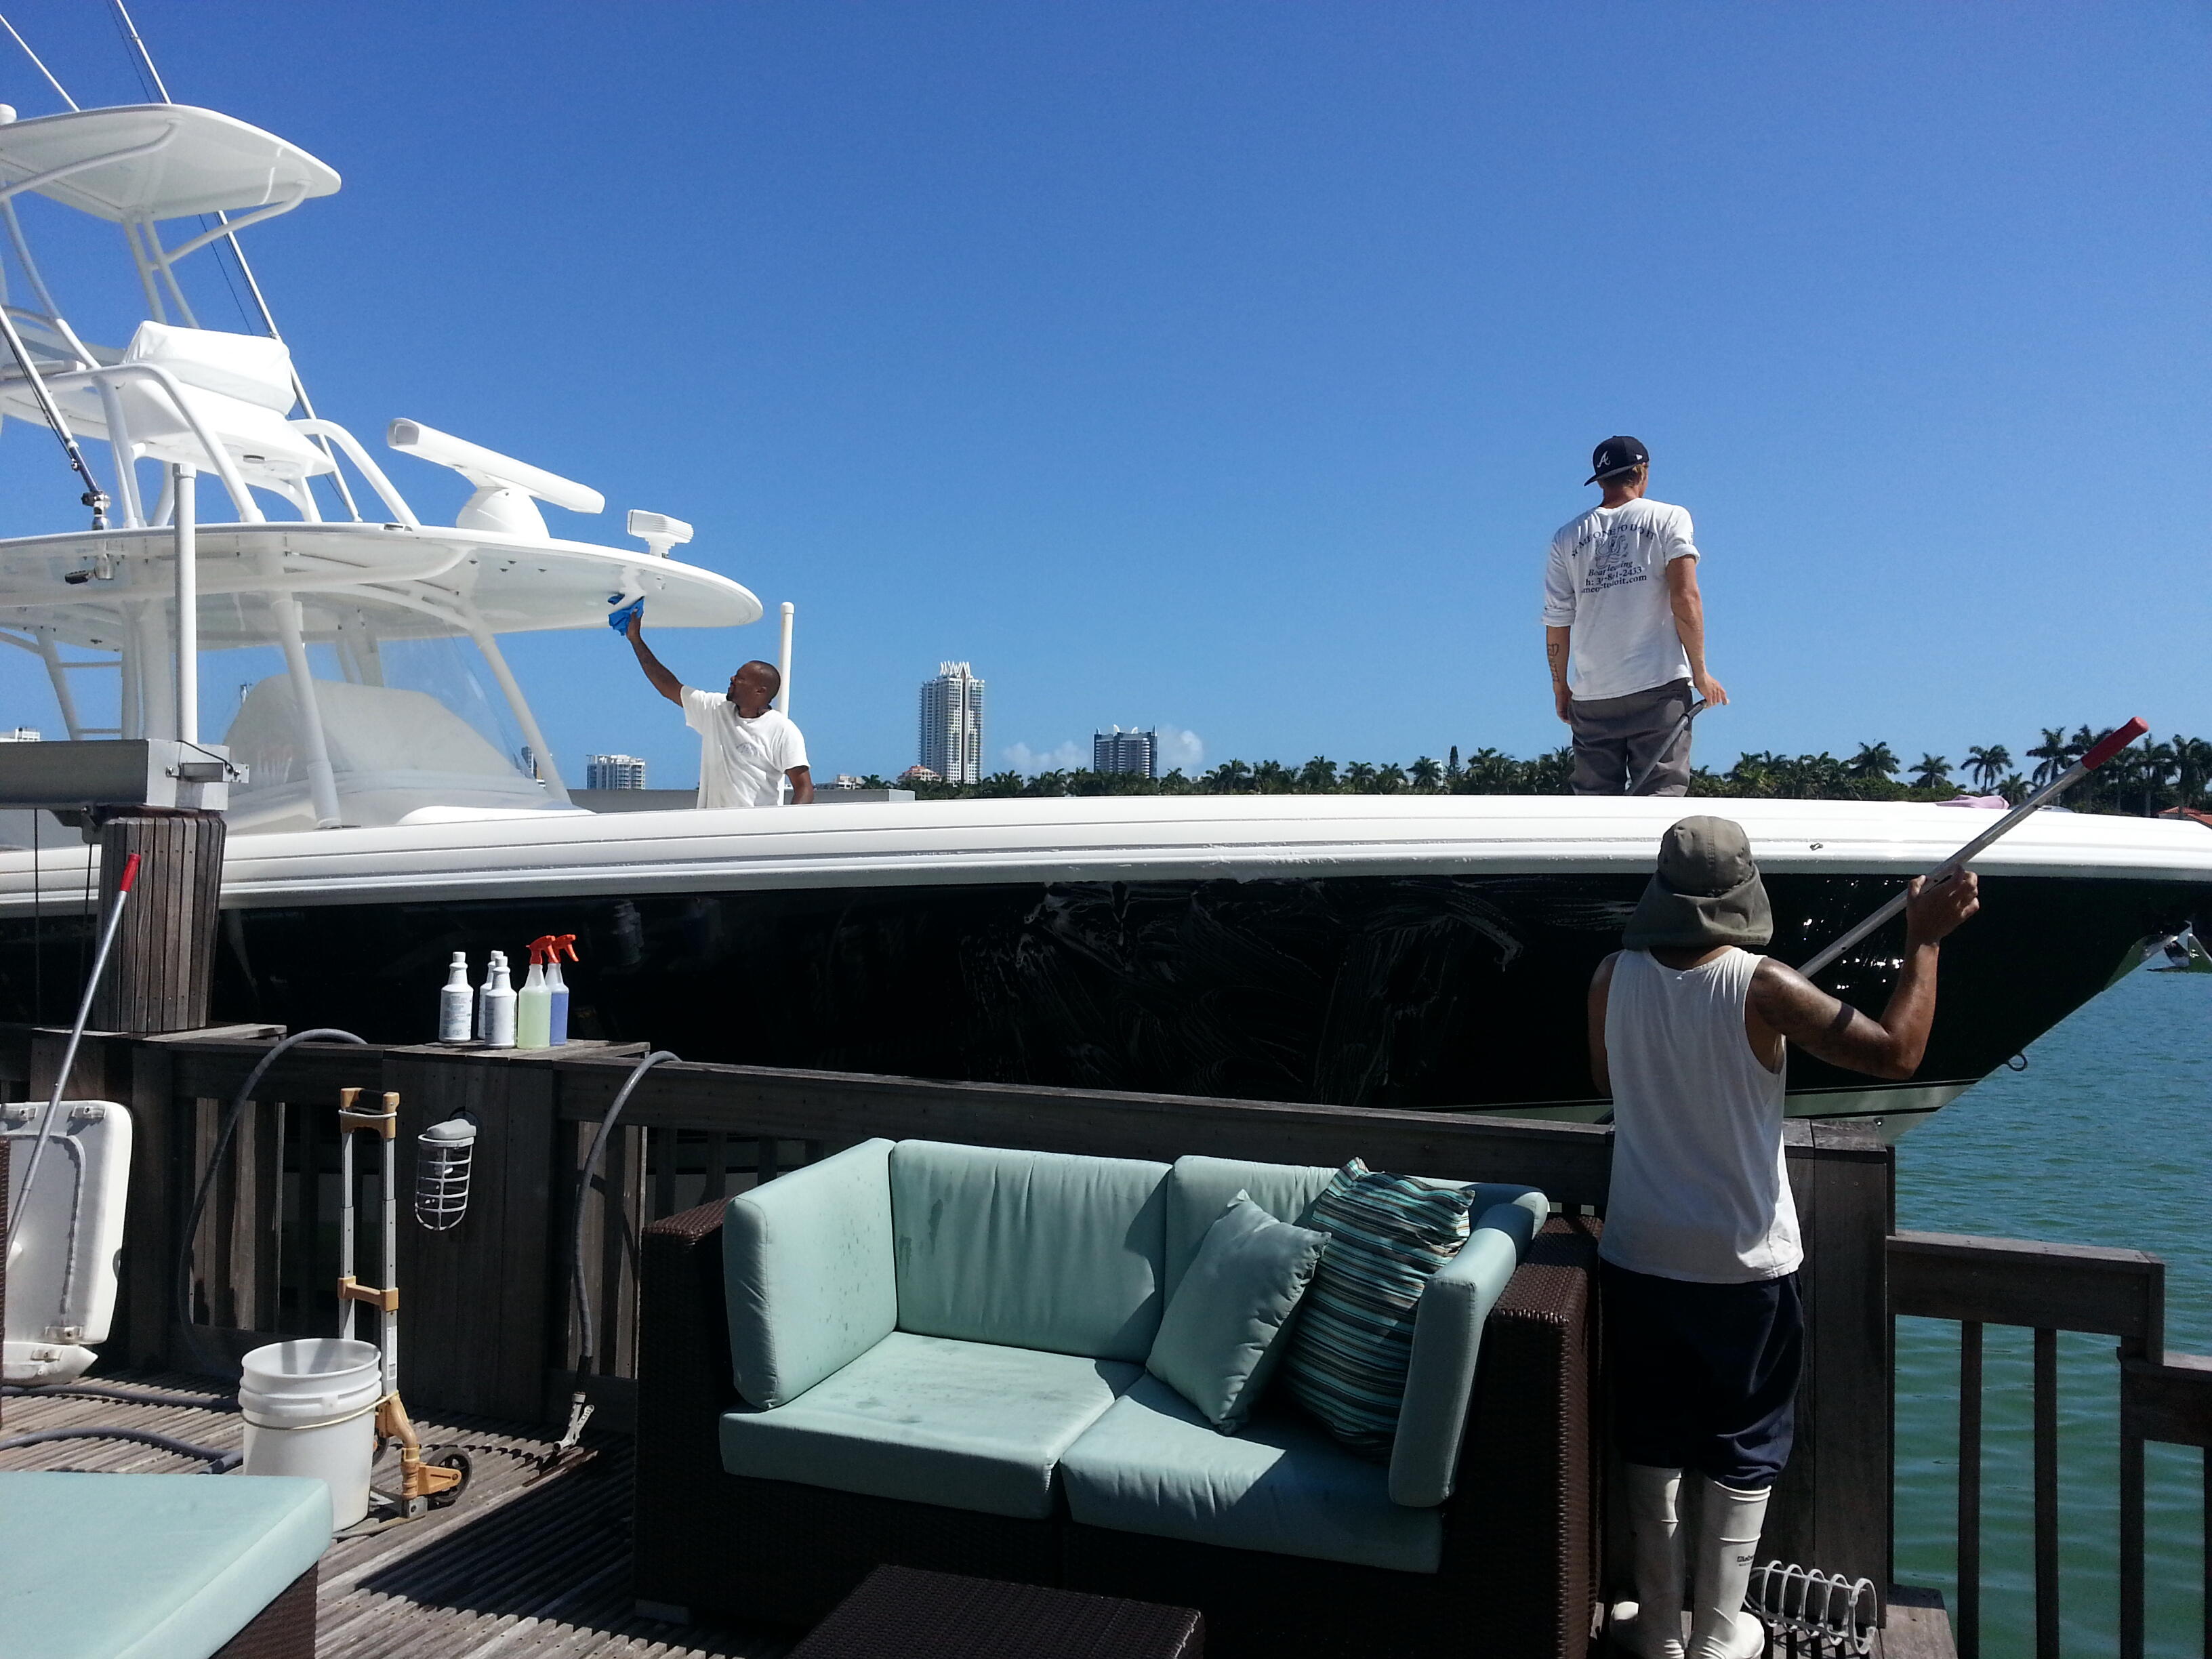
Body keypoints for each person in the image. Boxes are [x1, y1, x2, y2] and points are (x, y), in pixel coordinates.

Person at [1589, 817, 1978, 1659]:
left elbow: (1605, 1077)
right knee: (1743, 1443)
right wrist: (1924, 941)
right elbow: (1898, 1056)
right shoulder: (1762, 984)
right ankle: (1718, 1636)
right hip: (1743, 1266)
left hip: (1639, 1255)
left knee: (1652, 1436)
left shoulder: (1611, 976)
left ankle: (1657, 1630)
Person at [1543, 436, 1727, 796]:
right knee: (1661, 796)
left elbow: (1558, 620)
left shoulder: (1566, 537)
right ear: (1642, 471)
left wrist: (1560, 687)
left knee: (1594, 806)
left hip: (1592, 695)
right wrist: (1700, 672)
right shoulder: (1669, 517)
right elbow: (1685, 597)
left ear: (1600, 480)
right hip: (1658, 687)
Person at [623, 611, 814, 807]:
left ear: (760, 690)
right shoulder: (716, 708)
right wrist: (636, 640)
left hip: (755, 825)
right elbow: (669, 686)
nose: (732, 679)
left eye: (740, 678)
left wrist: (787, 824)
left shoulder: (782, 730)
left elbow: (804, 788)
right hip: (711, 824)